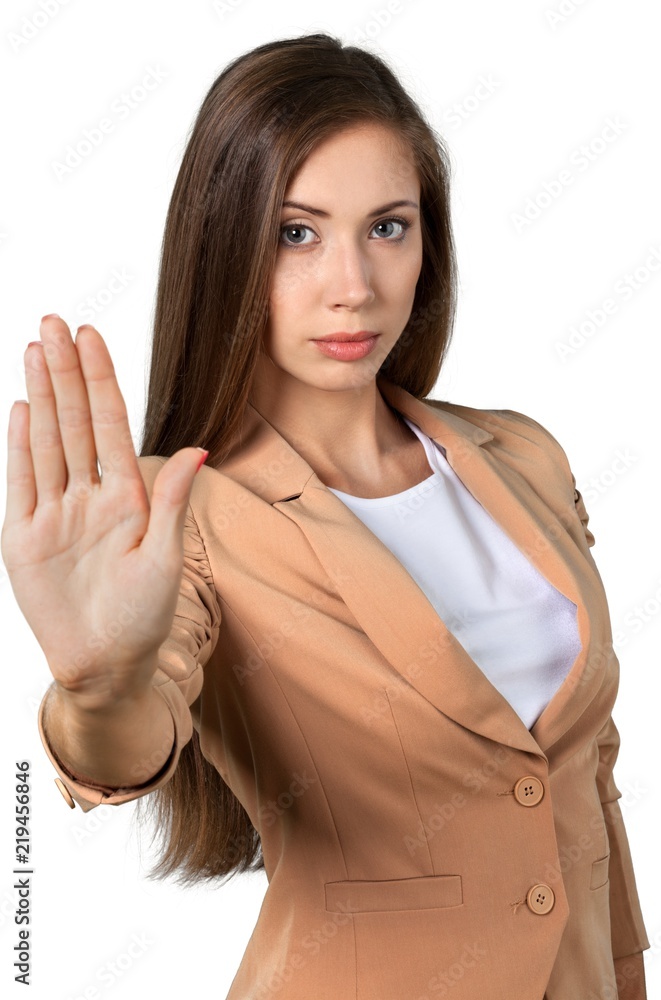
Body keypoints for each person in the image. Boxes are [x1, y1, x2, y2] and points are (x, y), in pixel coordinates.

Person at [2, 31, 650, 1000]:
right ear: (225, 244)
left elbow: (586, 777)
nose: (353, 283)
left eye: (387, 226)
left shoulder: (521, 457)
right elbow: (132, 735)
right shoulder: (181, 511)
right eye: (295, 232)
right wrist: (98, 688)